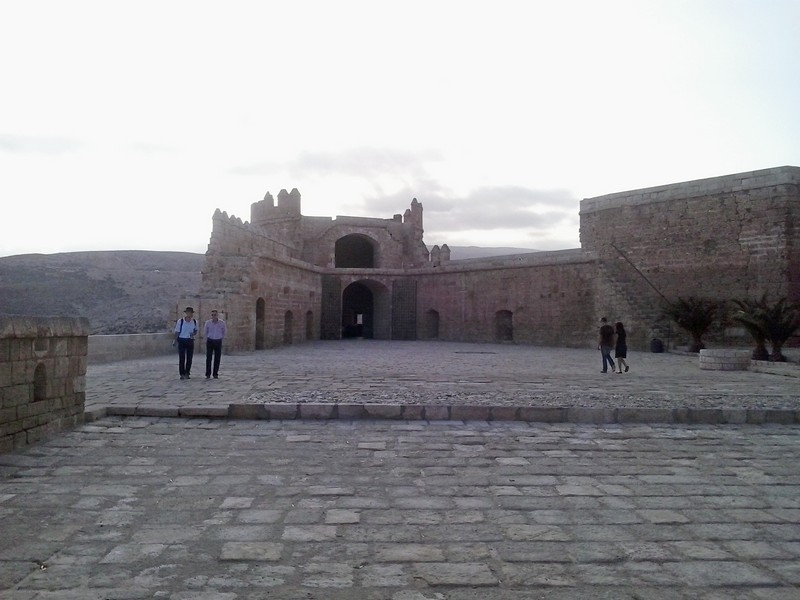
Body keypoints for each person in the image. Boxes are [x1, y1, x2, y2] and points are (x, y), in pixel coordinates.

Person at [173, 306, 198, 380]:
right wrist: (175, 340)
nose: (190, 314)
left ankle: (187, 372)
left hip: (190, 340)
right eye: (188, 313)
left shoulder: (194, 322)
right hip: (182, 339)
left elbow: (196, 330)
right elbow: (177, 331)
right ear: (186, 313)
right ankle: (182, 373)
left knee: (189, 358)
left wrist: (193, 334)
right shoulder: (180, 321)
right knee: (182, 357)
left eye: (191, 313)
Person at [204, 309, 227, 379]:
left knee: (217, 358)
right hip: (210, 341)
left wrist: (221, 337)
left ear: (217, 315)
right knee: (208, 358)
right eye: (212, 315)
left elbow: (224, 331)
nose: (214, 316)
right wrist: (206, 339)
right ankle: (208, 373)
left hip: (218, 341)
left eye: (215, 315)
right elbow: (205, 331)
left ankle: (215, 373)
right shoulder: (208, 323)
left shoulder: (222, 323)